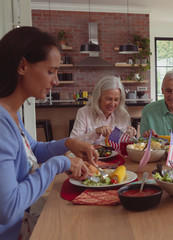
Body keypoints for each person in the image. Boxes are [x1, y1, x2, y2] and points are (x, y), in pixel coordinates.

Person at [0, 26, 99, 240]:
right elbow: (8, 208)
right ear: (22, 66)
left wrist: (69, 143)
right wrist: (60, 164)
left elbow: (31, 151)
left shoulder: (11, 114)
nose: (56, 81)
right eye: (50, 71)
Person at [70, 75, 135, 145]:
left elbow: (125, 145)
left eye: (116, 100)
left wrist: (129, 136)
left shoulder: (123, 115)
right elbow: (73, 143)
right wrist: (95, 133)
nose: (112, 104)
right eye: (108, 99)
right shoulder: (84, 113)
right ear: (98, 97)